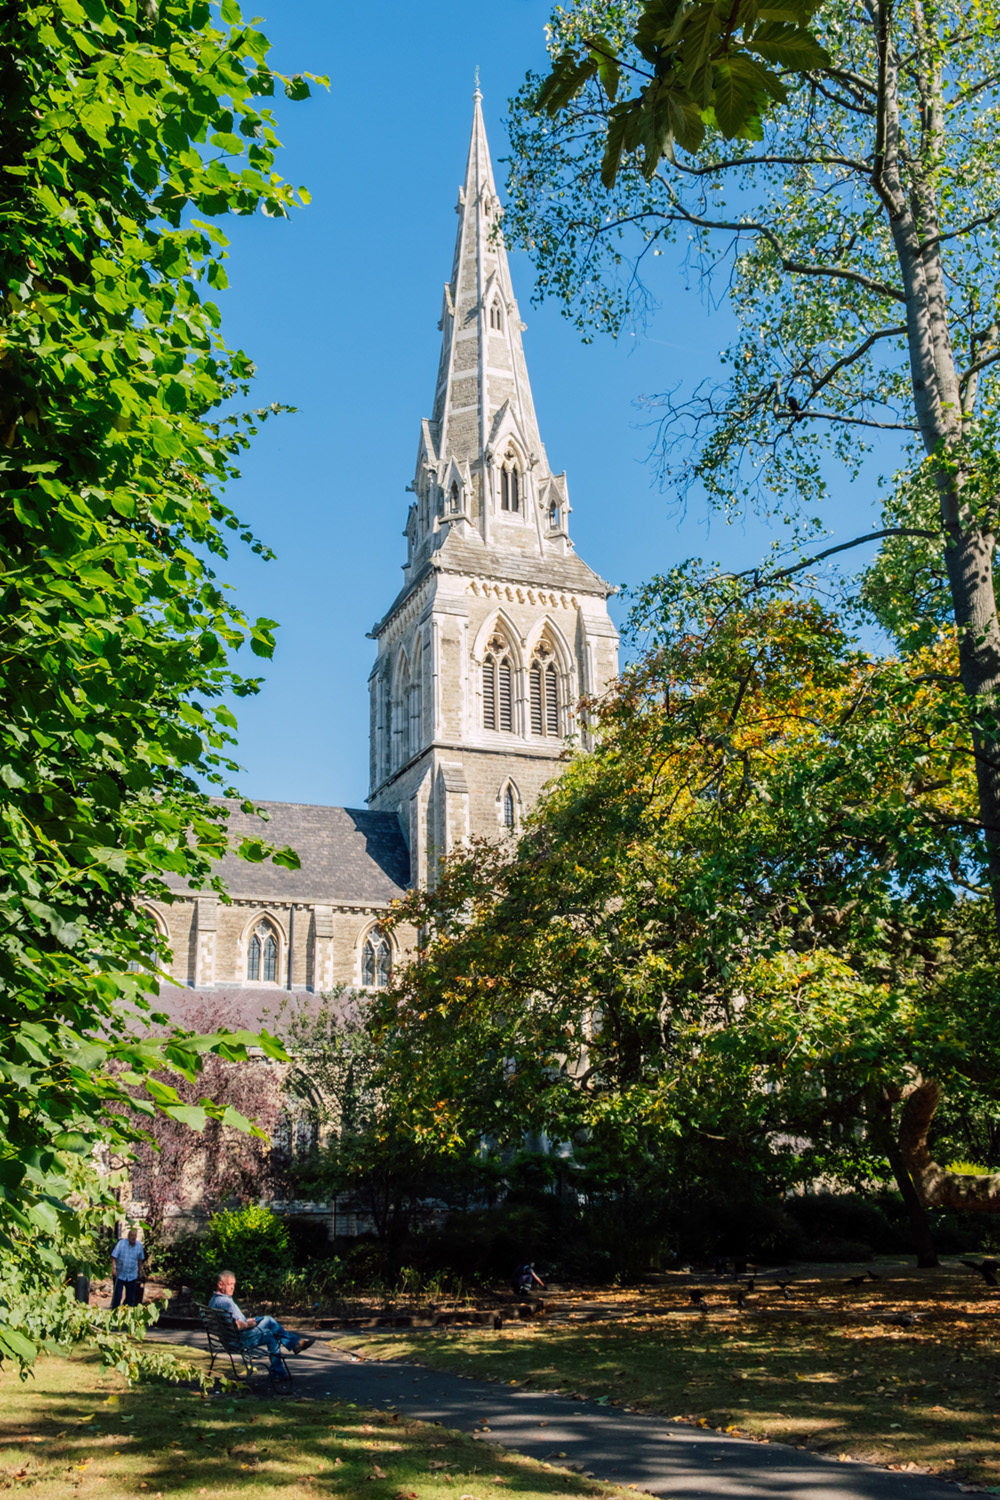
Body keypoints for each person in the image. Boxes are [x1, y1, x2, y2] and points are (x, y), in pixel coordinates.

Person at [208, 1270, 315, 1377]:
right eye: (230, 1284)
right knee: (269, 1320)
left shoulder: (214, 1300)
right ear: (220, 1285)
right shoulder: (225, 1302)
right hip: (239, 1340)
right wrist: (249, 1324)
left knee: (271, 1337)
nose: (233, 1287)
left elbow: (232, 1323)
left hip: (231, 1339)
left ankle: (279, 1373)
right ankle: (295, 1344)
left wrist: (248, 1321)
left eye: (234, 1284)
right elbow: (235, 1326)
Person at [110, 1227, 145, 1310]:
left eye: (135, 1236)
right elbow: (114, 1256)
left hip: (132, 1275)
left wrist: (140, 1271)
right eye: (131, 1235)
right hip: (120, 1274)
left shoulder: (139, 1246)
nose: (133, 1237)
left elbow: (140, 1260)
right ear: (128, 1236)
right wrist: (114, 1269)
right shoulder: (121, 1243)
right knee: (117, 1296)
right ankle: (114, 1313)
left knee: (131, 1297)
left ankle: (126, 1314)